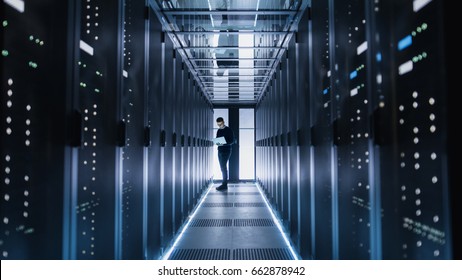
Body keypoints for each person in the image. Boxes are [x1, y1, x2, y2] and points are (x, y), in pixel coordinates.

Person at [215, 117, 235, 191]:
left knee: (223, 167)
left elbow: (232, 141)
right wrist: (218, 142)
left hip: (226, 150)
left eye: (220, 124)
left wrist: (223, 143)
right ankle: (224, 184)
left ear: (223, 122)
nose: (219, 125)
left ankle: (224, 184)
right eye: (218, 124)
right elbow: (217, 139)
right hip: (220, 150)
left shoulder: (229, 130)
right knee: (222, 167)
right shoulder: (219, 130)